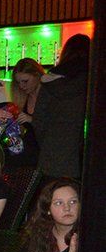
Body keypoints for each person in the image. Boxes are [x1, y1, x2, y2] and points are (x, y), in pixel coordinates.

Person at [34, 34, 90, 180]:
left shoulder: (51, 82)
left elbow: (38, 121)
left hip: (53, 157)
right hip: (87, 161)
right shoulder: (93, 83)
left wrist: (48, 144)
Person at [6, 58, 44, 168]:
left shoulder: (48, 96)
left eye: (25, 81)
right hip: (28, 155)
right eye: (18, 83)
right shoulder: (22, 99)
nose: (22, 86)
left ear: (37, 75)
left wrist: (31, 120)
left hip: (45, 153)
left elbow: (55, 125)